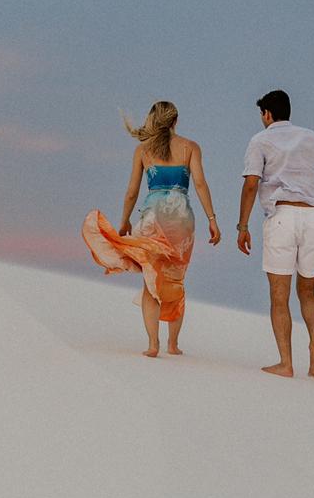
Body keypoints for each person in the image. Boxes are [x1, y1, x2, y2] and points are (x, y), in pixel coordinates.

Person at [82, 101, 221, 357]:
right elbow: (200, 184)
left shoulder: (143, 150)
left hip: (153, 217)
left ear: (153, 121)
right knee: (176, 279)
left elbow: (132, 191)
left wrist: (124, 221)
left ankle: (152, 344)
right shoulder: (190, 147)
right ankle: (173, 344)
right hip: (181, 216)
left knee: (151, 279)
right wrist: (212, 218)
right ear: (175, 121)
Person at [235, 89, 314, 378]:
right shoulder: (313, 138)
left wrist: (243, 226)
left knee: (279, 296)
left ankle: (286, 362)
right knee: (309, 291)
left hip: (282, 217)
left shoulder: (260, 140)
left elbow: (251, 184)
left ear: (267, 114)